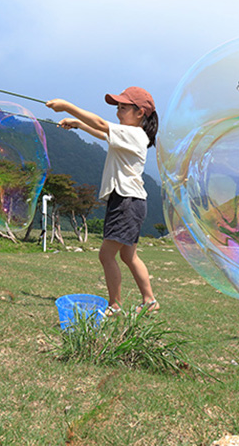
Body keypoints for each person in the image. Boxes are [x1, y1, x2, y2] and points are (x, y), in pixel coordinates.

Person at [46, 87, 160, 315]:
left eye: (123, 107)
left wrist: (67, 106)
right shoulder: (129, 134)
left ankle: (115, 306)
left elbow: (100, 124)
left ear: (140, 113)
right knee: (128, 255)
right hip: (131, 200)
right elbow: (102, 133)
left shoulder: (135, 134)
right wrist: (78, 125)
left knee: (106, 255)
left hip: (127, 201)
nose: (118, 111)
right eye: (118, 107)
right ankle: (150, 302)